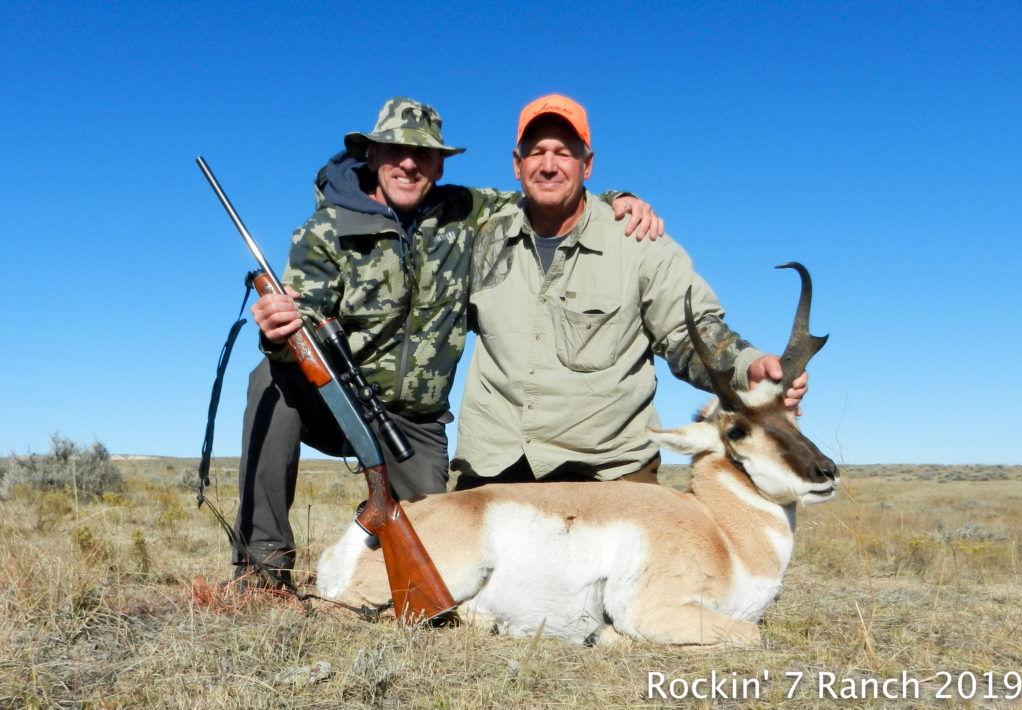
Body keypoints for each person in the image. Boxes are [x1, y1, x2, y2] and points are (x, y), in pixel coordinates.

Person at [231, 96, 661, 587]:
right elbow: (301, 323)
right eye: (394, 150)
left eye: (423, 154)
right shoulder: (323, 231)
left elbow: (546, 193)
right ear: (371, 156)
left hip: (414, 423)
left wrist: (618, 199)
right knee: (270, 378)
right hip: (337, 398)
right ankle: (261, 567)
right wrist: (279, 331)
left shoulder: (466, 211)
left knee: (434, 555)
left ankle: (361, 547)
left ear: (439, 164)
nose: (409, 163)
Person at [451, 94, 808, 489]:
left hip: (607, 469)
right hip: (496, 466)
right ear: (517, 166)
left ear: (587, 165)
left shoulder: (639, 241)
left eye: (564, 153)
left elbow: (689, 333)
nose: (549, 165)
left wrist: (747, 367)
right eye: (536, 153)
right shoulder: (480, 239)